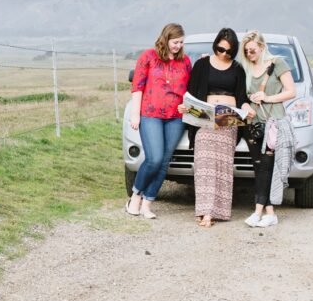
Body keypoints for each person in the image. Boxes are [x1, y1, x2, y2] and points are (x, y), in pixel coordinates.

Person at [179, 27, 254, 228]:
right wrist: (187, 107)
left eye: (229, 52)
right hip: (205, 117)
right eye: (221, 49)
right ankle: (203, 209)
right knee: (204, 163)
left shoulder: (237, 68)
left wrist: (246, 108)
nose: (223, 54)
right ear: (215, 45)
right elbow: (191, 93)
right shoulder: (202, 65)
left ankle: (214, 212)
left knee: (222, 165)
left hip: (228, 119)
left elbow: (242, 97)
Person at [126, 23, 191, 219]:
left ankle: (148, 203)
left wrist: (186, 106)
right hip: (151, 114)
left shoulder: (186, 62)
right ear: (165, 39)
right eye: (175, 42)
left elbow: (190, 90)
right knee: (153, 159)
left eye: (181, 42)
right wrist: (135, 114)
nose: (178, 46)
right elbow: (137, 86)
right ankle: (135, 195)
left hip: (176, 118)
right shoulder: (148, 57)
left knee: (164, 161)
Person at [237, 30, 296, 228]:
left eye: (252, 50)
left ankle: (257, 211)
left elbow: (291, 91)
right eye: (246, 51)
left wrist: (267, 98)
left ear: (262, 47)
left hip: (273, 123)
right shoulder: (245, 69)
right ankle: (269, 213)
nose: (249, 54)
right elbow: (241, 95)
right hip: (252, 125)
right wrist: (246, 104)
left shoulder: (277, 63)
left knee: (268, 166)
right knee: (259, 167)